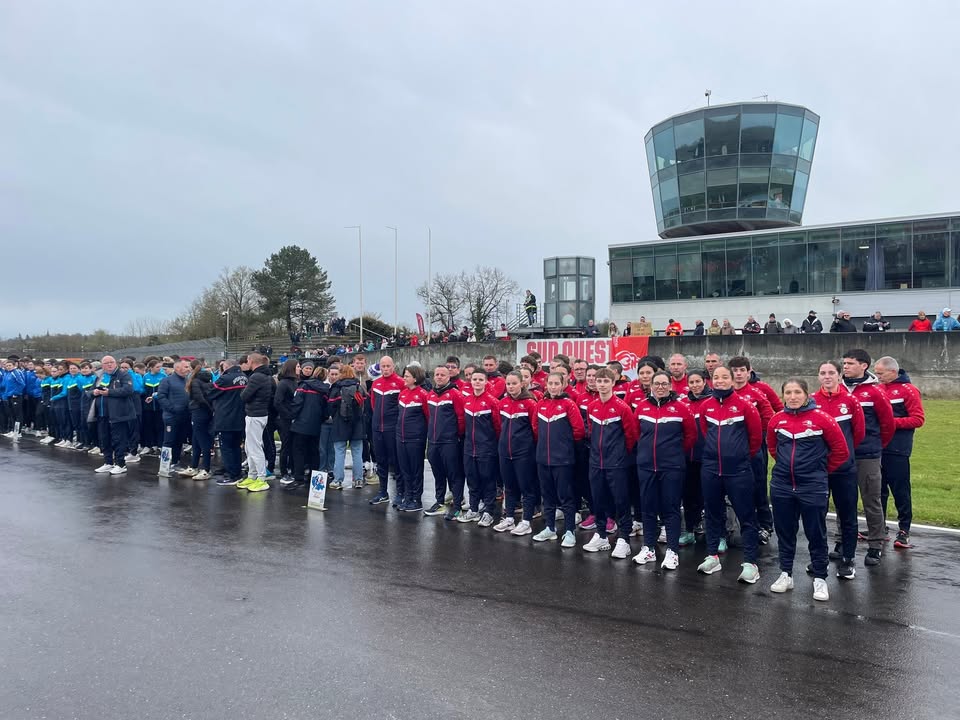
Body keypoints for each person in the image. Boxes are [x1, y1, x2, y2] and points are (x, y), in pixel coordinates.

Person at [767, 378, 849, 601]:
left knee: (816, 532)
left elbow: (841, 451)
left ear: (806, 395)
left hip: (812, 486)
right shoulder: (777, 420)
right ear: (783, 395)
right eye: (788, 392)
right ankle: (786, 573)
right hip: (782, 485)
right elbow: (772, 447)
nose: (792, 397)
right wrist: (785, 468)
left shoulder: (823, 419)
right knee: (784, 532)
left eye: (797, 392)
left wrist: (818, 471)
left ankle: (820, 578)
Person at [696, 365, 763, 583]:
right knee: (713, 513)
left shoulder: (745, 406)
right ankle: (712, 555)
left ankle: (751, 562)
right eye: (716, 377)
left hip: (739, 470)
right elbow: (706, 432)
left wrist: (739, 456)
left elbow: (755, 438)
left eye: (725, 377)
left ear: (733, 380)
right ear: (711, 380)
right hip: (711, 468)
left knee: (746, 516)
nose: (720, 381)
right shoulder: (706, 406)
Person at [632, 371, 696, 569]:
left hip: (672, 467)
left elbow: (690, 436)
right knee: (648, 508)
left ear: (670, 386)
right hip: (646, 466)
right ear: (650, 386)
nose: (660, 387)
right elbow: (636, 432)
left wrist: (673, 454)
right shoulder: (642, 407)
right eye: (656, 383)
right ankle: (649, 548)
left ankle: (672, 551)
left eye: (664, 384)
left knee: (671, 509)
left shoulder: (681, 408)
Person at [841, 349, 895, 566]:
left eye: (850, 363)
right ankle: (842, 541)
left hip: (868, 454)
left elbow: (888, 424)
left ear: (864, 366)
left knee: (871, 500)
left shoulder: (875, 392)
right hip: (842, 455)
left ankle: (875, 544)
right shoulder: (837, 388)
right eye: (844, 363)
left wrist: (874, 447)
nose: (845, 367)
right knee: (844, 501)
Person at [812, 362, 865, 579]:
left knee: (848, 515)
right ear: (818, 376)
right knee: (817, 515)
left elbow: (858, 434)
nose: (827, 376)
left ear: (839, 375)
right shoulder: (812, 401)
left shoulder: (851, 401)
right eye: (823, 373)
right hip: (819, 470)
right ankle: (819, 559)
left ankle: (848, 559)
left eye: (831, 373)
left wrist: (845, 455)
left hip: (844, 469)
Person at [582, 367, 638, 558]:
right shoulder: (592, 407)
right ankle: (601, 535)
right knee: (598, 500)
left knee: (621, 502)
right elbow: (591, 431)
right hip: (596, 462)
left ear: (613, 383)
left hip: (617, 463)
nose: (602, 385)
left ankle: (624, 539)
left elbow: (631, 436)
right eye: (599, 381)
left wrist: (620, 455)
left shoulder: (622, 407)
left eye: (606, 381)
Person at [875, 356, 925, 549]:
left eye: (880, 373)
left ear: (893, 372)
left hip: (898, 448)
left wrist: (890, 423)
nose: (877, 377)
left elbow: (918, 419)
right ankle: (880, 527)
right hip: (877, 447)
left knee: (900, 490)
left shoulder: (909, 390)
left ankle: (904, 530)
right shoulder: (878, 389)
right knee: (878, 490)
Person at [534, 371, 585, 547]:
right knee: (547, 497)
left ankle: (570, 531)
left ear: (563, 385)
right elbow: (535, 428)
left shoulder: (569, 404)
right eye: (551, 383)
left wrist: (565, 449)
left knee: (566, 497)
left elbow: (579, 431)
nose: (553, 387)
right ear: (546, 385)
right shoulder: (540, 404)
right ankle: (550, 528)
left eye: (557, 383)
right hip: (543, 459)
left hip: (563, 460)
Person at [728, 356, 776, 544]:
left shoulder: (757, 393)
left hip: (755, 448)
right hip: (731, 450)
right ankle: (742, 525)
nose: (738, 374)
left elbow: (771, 419)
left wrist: (758, 437)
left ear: (749, 372)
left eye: (742, 370)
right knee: (734, 489)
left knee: (758, 486)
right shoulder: (724, 393)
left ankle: (764, 525)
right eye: (735, 371)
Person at [494, 371, 539, 535]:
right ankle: (509, 518)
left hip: (524, 453)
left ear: (522, 384)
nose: (511, 387)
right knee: (510, 487)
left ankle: (526, 521)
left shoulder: (530, 403)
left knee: (527, 488)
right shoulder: (503, 402)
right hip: (505, 452)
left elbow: (536, 429)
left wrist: (527, 447)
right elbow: (499, 425)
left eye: (514, 383)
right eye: (508, 384)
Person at [425, 365, 466, 520]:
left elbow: (461, 418)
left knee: (454, 474)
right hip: (433, 441)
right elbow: (429, 416)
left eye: (443, 374)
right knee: (438, 473)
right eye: (437, 374)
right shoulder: (431, 395)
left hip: (450, 441)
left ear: (449, 377)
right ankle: (440, 502)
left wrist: (456, 435)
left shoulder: (455, 394)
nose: (440, 377)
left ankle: (457, 506)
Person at [461, 370, 501, 527]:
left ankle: (488, 512)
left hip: (487, 448)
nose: (477, 382)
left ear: (486, 382)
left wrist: (491, 443)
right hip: (470, 447)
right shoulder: (467, 400)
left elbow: (498, 426)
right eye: (474, 379)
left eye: (480, 379)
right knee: (472, 480)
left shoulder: (492, 402)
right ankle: (473, 508)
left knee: (488, 480)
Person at [679, 369, 712, 546]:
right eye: (691, 382)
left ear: (705, 382)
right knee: (689, 496)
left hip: (707, 457)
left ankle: (717, 534)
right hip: (687, 458)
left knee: (710, 496)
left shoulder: (712, 401)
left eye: (698, 381)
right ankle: (690, 530)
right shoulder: (683, 402)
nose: (695, 385)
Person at [287, 361, 329, 493]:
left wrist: (292, 417)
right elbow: (326, 410)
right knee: (314, 452)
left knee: (298, 451)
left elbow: (297, 403)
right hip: (316, 426)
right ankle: (314, 477)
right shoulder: (325, 390)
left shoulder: (304, 386)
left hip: (301, 424)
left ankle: (298, 477)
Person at [91, 356, 137, 476]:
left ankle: (120, 464)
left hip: (118, 414)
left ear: (115, 363)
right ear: (103, 365)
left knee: (119, 440)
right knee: (104, 438)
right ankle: (108, 462)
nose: (109, 365)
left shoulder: (123, 374)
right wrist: (94, 392)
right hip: (102, 413)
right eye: (106, 363)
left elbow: (128, 390)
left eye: (111, 362)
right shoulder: (100, 376)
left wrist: (109, 392)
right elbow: (89, 391)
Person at [370, 356, 405, 506]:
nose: (385, 369)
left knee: (396, 462)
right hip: (377, 428)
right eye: (383, 366)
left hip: (392, 428)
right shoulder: (376, 383)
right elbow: (373, 404)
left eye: (388, 366)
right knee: (381, 461)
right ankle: (382, 492)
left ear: (393, 366)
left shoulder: (400, 383)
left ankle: (400, 493)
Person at [395, 364, 430, 510]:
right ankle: (407, 496)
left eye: (407, 376)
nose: (404, 378)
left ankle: (417, 499)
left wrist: (421, 433)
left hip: (415, 438)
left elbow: (428, 416)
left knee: (416, 470)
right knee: (405, 469)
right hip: (400, 436)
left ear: (415, 378)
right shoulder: (402, 393)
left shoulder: (422, 394)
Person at [239, 353, 274, 492]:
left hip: (255, 415)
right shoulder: (264, 376)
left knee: (255, 448)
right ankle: (252, 475)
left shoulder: (256, 377)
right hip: (256, 414)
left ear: (251, 361)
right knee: (249, 446)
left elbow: (244, 396)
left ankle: (261, 478)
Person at [329, 364, 367, 491]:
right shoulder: (358, 387)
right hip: (357, 424)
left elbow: (331, 406)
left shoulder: (337, 388)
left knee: (339, 452)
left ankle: (338, 480)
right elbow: (364, 405)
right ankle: (358, 479)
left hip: (340, 423)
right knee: (357, 453)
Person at [210, 359, 247, 486]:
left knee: (227, 447)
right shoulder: (244, 377)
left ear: (226, 366)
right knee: (236, 447)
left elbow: (210, 393)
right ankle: (237, 472)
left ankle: (232, 475)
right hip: (240, 416)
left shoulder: (224, 379)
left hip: (226, 416)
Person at [155, 358, 191, 473]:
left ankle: (175, 462)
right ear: (177, 368)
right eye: (186, 367)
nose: (188, 369)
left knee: (179, 440)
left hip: (185, 416)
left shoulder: (187, 380)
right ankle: (165, 466)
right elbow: (161, 397)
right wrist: (172, 409)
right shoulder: (167, 381)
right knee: (169, 440)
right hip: (171, 417)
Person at [180, 363, 213, 480]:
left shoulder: (194, 382)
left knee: (202, 441)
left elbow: (199, 398)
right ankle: (194, 466)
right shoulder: (209, 383)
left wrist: (208, 408)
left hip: (198, 413)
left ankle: (205, 469)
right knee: (196, 440)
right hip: (205, 413)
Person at [273, 358, 300, 483]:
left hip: (294, 418)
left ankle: (293, 470)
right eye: (298, 366)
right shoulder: (284, 383)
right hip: (285, 419)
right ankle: (284, 472)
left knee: (294, 445)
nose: (299, 369)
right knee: (286, 446)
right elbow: (277, 402)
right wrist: (288, 414)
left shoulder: (296, 382)